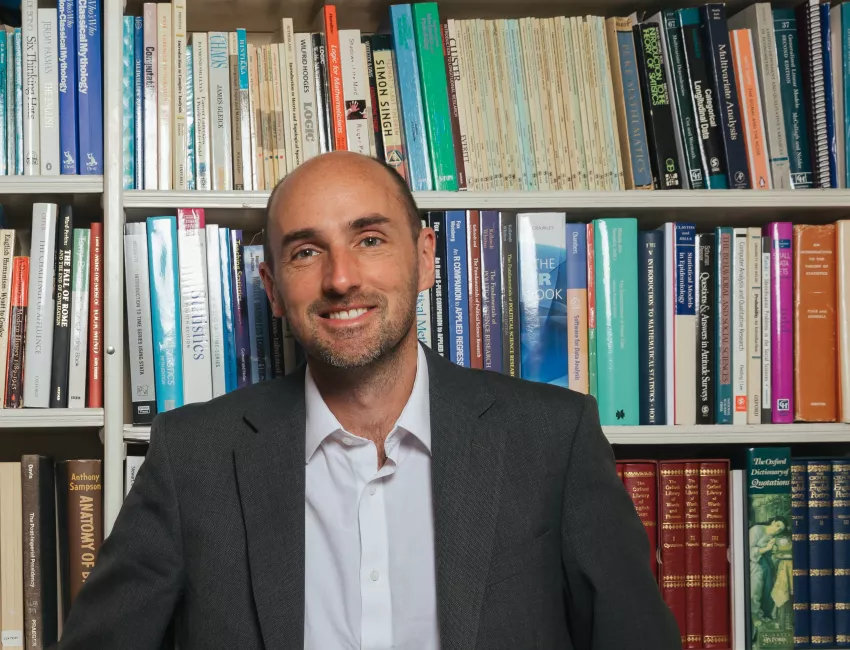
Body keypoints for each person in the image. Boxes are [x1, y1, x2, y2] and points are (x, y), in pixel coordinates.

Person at [57, 152, 681, 650]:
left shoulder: (553, 438)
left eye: (371, 239)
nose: (341, 278)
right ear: (273, 289)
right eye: (306, 251)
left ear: (427, 256)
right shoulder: (194, 457)